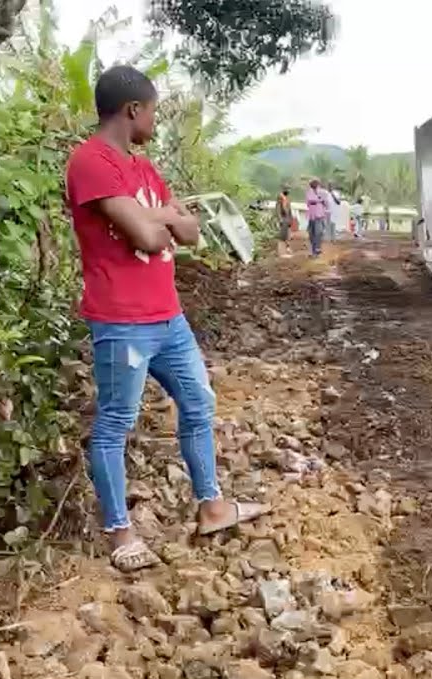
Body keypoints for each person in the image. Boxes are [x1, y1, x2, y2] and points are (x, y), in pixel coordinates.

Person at [64, 65, 269, 572]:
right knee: (115, 423)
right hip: (122, 320)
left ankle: (212, 506)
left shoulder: (143, 170)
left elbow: (192, 231)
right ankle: (120, 534)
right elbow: (152, 238)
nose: (155, 120)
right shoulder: (91, 163)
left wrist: (154, 216)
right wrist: (160, 220)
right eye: (153, 110)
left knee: (198, 402)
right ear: (133, 110)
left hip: (168, 318)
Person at [305, 179, 327, 256]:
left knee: (319, 232)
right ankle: (313, 250)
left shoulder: (322, 192)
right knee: (312, 234)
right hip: (312, 216)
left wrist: (320, 201)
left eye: (316, 184)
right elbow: (310, 201)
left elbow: (325, 202)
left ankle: (317, 248)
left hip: (319, 215)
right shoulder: (309, 192)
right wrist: (319, 201)